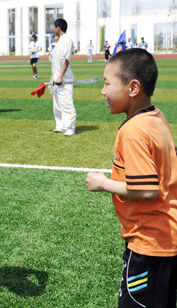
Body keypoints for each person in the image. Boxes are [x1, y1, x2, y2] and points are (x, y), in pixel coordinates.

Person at [86, 48, 177, 307]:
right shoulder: (156, 117)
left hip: (149, 243)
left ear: (133, 87)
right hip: (166, 238)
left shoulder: (134, 130)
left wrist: (103, 183)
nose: (103, 90)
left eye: (107, 83)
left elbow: (148, 189)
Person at [50, 18, 76, 136]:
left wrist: (60, 76)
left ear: (58, 28)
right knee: (57, 104)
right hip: (55, 78)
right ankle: (60, 125)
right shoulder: (59, 41)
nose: (54, 30)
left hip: (64, 79)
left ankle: (70, 127)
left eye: (54, 28)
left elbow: (66, 60)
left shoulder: (67, 40)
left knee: (66, 102)